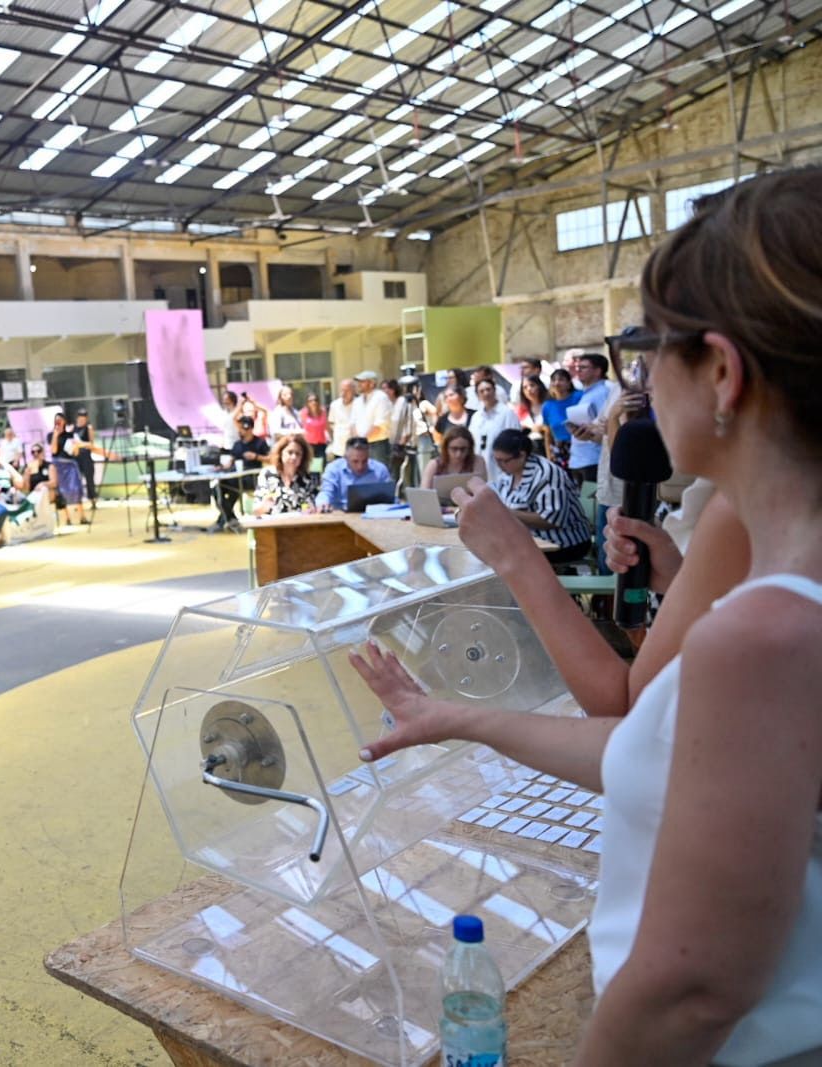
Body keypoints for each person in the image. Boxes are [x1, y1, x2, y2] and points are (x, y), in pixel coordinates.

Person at [349, 170, 822, 1064]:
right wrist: (456, 716)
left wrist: (517, 560)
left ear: (723, 372)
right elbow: (666, 753)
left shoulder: (763, 635)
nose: (635, 387)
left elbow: (689, 992)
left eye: (646, 350)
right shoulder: (767, 589)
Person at [485, 428, 591, 564]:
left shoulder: (547, 473)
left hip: (563, 543)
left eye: (503, 461)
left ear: (522, 455)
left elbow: (553, 520)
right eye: (497, 460)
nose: (499, 466)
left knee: (501, 558)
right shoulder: (508, 472)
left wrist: (506, 512)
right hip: (528, 540)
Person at [565, 352, 618, 481]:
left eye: (583, 367)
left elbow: (605, 424)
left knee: (590, 494)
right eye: (577, 367)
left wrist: (590, 431)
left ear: (597, 371)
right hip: (581, 459)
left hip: (594, 460)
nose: (578, 371)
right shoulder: (588, 393)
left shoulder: (603, 392)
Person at [212, 416, 265, 532]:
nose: (240, 431)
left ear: (249, 428)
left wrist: (256, 457)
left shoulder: (260, 443)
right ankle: (230, 518)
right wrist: (221, 467)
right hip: (235, 477)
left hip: (251, 478)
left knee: (233, 490)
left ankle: (224, 520)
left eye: (242, 428)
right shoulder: (237, 444)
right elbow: (231, 460)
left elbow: (270, 458)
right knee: (217, 488)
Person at [315, 437, 391, 512]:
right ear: (345, 458)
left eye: (364, 461)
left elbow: (389, 497)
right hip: (341, 514)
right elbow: (326, 491)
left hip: (373, 515)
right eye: (355, 461)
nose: (360, 466)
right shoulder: (334, 469)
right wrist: (322, 503)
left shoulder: (380, 470)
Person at [253, 434, 318, 515]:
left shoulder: (307, 479)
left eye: (298, 454)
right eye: (290, 452)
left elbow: (310, 507)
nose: (294, 457)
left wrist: (308, 509)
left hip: (299, 522)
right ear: (280, 453)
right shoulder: (267, 474)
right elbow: (256, 511)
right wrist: (265, 505)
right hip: (272, 522)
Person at [47, 411, 86, 525]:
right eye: (56, 420)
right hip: (58, 466)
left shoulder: (70, 435)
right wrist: (55, 435)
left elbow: (76, 453)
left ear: (64, 421)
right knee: (61, 491)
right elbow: (53, 450)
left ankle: (82, 516)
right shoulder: (51, 435)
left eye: (60, 420)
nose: (58, 422)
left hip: (70, 465)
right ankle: (67, 518)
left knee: (76, 489)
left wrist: (75, 446)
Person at [467, 376, 521, 457]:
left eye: (488, 389)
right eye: (481, 391)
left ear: (495, 390)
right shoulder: (476, 417)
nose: (486, 393)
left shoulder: (507, 413)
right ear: (478, 396)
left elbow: (515, 438)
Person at [420, 425, 489, 488]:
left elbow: (481, 490)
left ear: (470, 448)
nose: (458, 454)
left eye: (463, 449)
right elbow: (424, 491)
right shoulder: (435, 465)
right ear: (446, 448)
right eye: (454, 449)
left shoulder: (477, 461)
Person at [542, 366, 580, 467]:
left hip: (581, 445)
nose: (557, 383)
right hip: (560, 450)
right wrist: (549, 455)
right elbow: (548, 433)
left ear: (569, 383)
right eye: (553, 380)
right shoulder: (547, 406)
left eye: (561, 379)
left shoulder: (579, 397)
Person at [355, 371, 392, 466]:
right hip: (360, 445)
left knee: (378, 473)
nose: (359, 384)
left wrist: (362, 440)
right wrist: (357, 442)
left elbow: (379, 425)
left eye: (362, 382)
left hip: (377, 446)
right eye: (359, 382)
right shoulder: (358, 400)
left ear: (372, 383)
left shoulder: (381, 397)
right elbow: (353, 423)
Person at [326, 379, 361, 461]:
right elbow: (331, 423)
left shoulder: (360, 404)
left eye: (347, 391)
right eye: (342, 390)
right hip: (339, 449)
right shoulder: (334, 405)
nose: (344, 393)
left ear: (354, 391)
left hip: (355, 448)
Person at [517, 375, 552, 455]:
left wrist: (543, 428)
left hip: (548, 446)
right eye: (525, 387)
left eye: (532, 385)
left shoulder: (549, 405)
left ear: (539, 386)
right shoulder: (521, 409)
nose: (529, 389)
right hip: (530, 449)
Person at [300, 393, 329, 461]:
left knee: (320, 465)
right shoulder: (304, 412)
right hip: (309, 445)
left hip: (321, 444)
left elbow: (327, 426)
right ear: (307, 403)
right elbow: (301, 428)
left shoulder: (323, 411)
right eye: (310, 401)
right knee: (310, 465)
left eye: (315, 400)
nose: (313, 402)